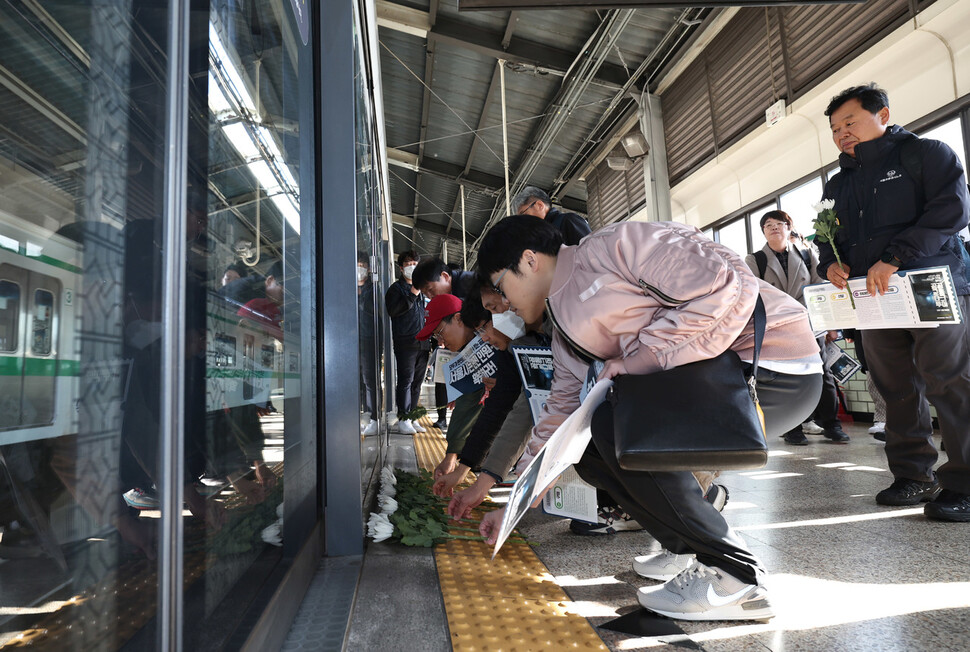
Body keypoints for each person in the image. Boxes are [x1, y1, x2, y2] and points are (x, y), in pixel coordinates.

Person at [476, 216, 822, 621]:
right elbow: (559, 414)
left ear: (530, 260)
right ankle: (693, 545)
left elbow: (724, 283)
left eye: (501, 286)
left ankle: (735, 575)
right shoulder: (563, 328)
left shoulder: (614, 245)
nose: (503, 303)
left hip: (768, 367)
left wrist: (639, 358)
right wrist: (516, 501)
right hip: (714, 383)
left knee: (611, 424)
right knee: (588, 446)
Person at [817, 83, 970, 520]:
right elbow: (827, 238)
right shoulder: (838, 183)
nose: (841, 133)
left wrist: (895, 256)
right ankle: (913, 476)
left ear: (882, 114)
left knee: (950, 382)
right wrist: (829, 264)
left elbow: (952, 210)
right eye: (834, 128)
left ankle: (964, 482)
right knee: (895, 386)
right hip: (872, 295)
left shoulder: (927, 154)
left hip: (928, 283)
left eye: (849, 121)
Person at [745, 210, 849, 445]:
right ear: (763, 231)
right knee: (784, 375)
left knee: (823, 374)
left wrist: (829, 325)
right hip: (776, 326)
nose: (774, 228)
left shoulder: (806, 253)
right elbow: (755, 292)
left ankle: (832, 425)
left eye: (779, 223)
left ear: (789, 228)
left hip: (808, 323)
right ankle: (792, 428)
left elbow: (819, 288)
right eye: (768, 224)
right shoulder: (754, 260)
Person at [413, 294, 486, 479]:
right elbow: (469, 401)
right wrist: (452, 456)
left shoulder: (492, 337)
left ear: (458, 318)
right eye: (436, 337)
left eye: (440, 332)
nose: (442, 342)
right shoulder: (468, 349)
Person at [384, 251, 431, 435]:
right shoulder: (396, 289)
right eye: (408, 263)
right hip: (406, 342)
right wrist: (412, 293)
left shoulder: (424, 290)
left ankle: (411, 417)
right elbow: (394, 311)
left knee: (417, 383)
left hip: (424, 343)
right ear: (401, 267)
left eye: (415, 263)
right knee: (406, 381)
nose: (412, 266)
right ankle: (403, 418)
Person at [511, 186, 591, 246]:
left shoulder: (568, 220)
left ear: (539, 205)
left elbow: (590, 252)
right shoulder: (539, 238)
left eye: (524, 215)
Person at [358, 253, 380, 437]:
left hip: (369, 338)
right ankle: (359, 416)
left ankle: (373, 417)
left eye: (362, 265)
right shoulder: (344, 289)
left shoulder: (374, 290)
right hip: (349, 341)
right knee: (354, 380)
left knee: (369, 380)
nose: (359, 269)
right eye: (356, 265)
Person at [411, 258, 477, 300]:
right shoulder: (452, 292)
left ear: (445, 276)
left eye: (430, 290)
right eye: (424, 293)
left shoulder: (472, 284)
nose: (429, 297)